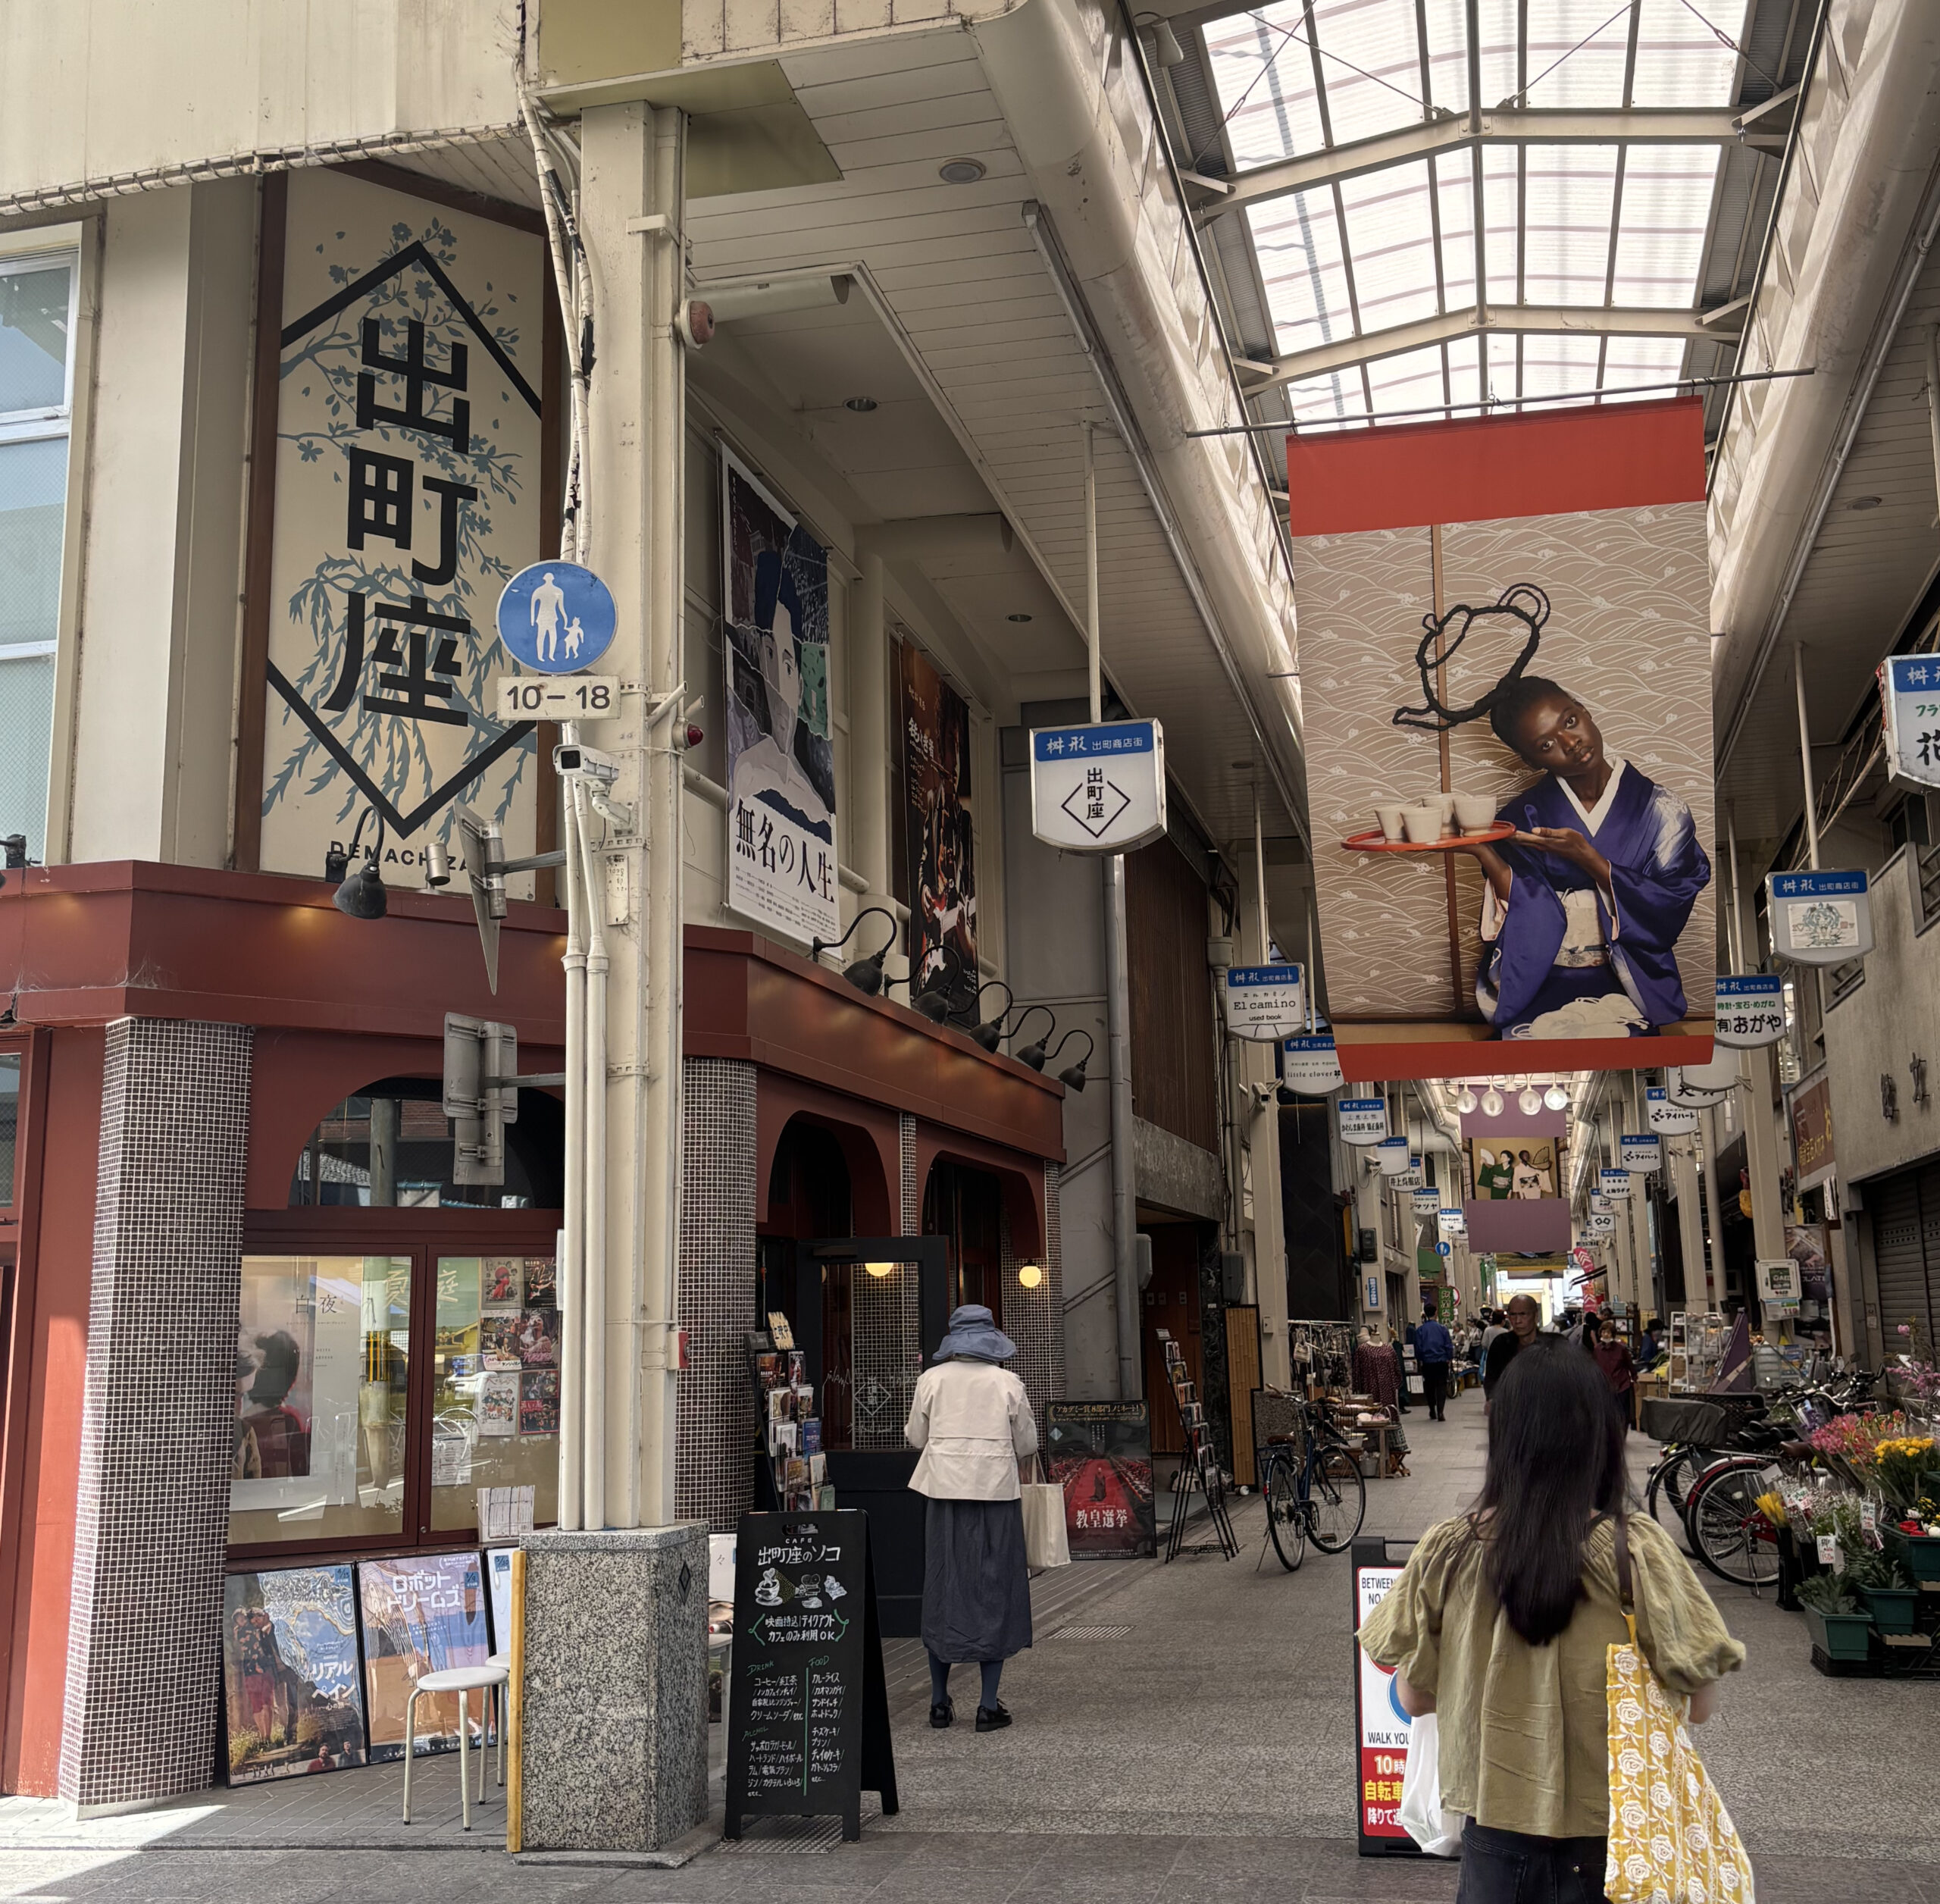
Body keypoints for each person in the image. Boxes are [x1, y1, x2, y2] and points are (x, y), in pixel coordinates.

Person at [1360, 1348, 1743, 1899]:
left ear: (1506, 1437)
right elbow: (1699, 1706)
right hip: (1620, 1839)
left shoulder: (1449, 1550)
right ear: (1600, 1437)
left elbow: (1416, 1698)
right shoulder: (1638, 1552)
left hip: (1494, 1840)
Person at [1450, 674, 1711, 1040]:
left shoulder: (1663, 810)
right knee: (1525, 1040)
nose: (1571, 744)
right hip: (1546, 981)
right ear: (1529, 761)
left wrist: (1592, 861)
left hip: (1632, 983)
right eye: (1546, 745)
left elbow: (1672, 903)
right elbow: (1526, 909)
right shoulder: (1522, 819)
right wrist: (1482, 851)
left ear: (1584, 711)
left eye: (1570, 722)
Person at [906, 1304, 1038, 1733]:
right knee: (995, 1590)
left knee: (943, 1588)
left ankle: (940, 1703)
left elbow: (916, 1437)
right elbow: (1027, 1443)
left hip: (943, 1495)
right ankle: (986, 1705)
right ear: (990, 1342)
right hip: (996, 1495)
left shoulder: (931, 1380)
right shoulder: (1007, 1382)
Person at [1482, 1294, 1541, 1408]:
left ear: (1535, 1316)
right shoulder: (1500, 1344)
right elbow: (1492, 1377)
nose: (1518, 1321)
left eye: (1523, 1314)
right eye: (1513, 1315)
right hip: (1511, 1409)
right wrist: (1492, 1399)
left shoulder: (1551, 1345)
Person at [1591, 1314, 1637, 1428]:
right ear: (1600, 1333)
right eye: (1604, 1332)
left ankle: (1621, 1435)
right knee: (1606, 1414)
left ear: (1613, 1334)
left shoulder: (1621, 1350)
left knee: (1622, 1414)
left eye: (1608, 1332)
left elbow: (1629, 1365)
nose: (1606, 1335)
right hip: (1604, 1386)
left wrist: (1635, 1378)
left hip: (1621, 1385)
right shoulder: (1596, 1350)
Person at [1415, 1302, 1454, 1421]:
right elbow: (1448, 1345)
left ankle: (1432, 1409)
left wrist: (1420, 1360)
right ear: (1436, 1313)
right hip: (1441, 1361)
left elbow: (1418, 1347)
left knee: (1429, 1387)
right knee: (1441, 1386)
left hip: (1427, 1363)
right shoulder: (1443, 1329)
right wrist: (1449, 1358)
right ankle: (1441, 1412)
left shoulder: (1420, 1330)